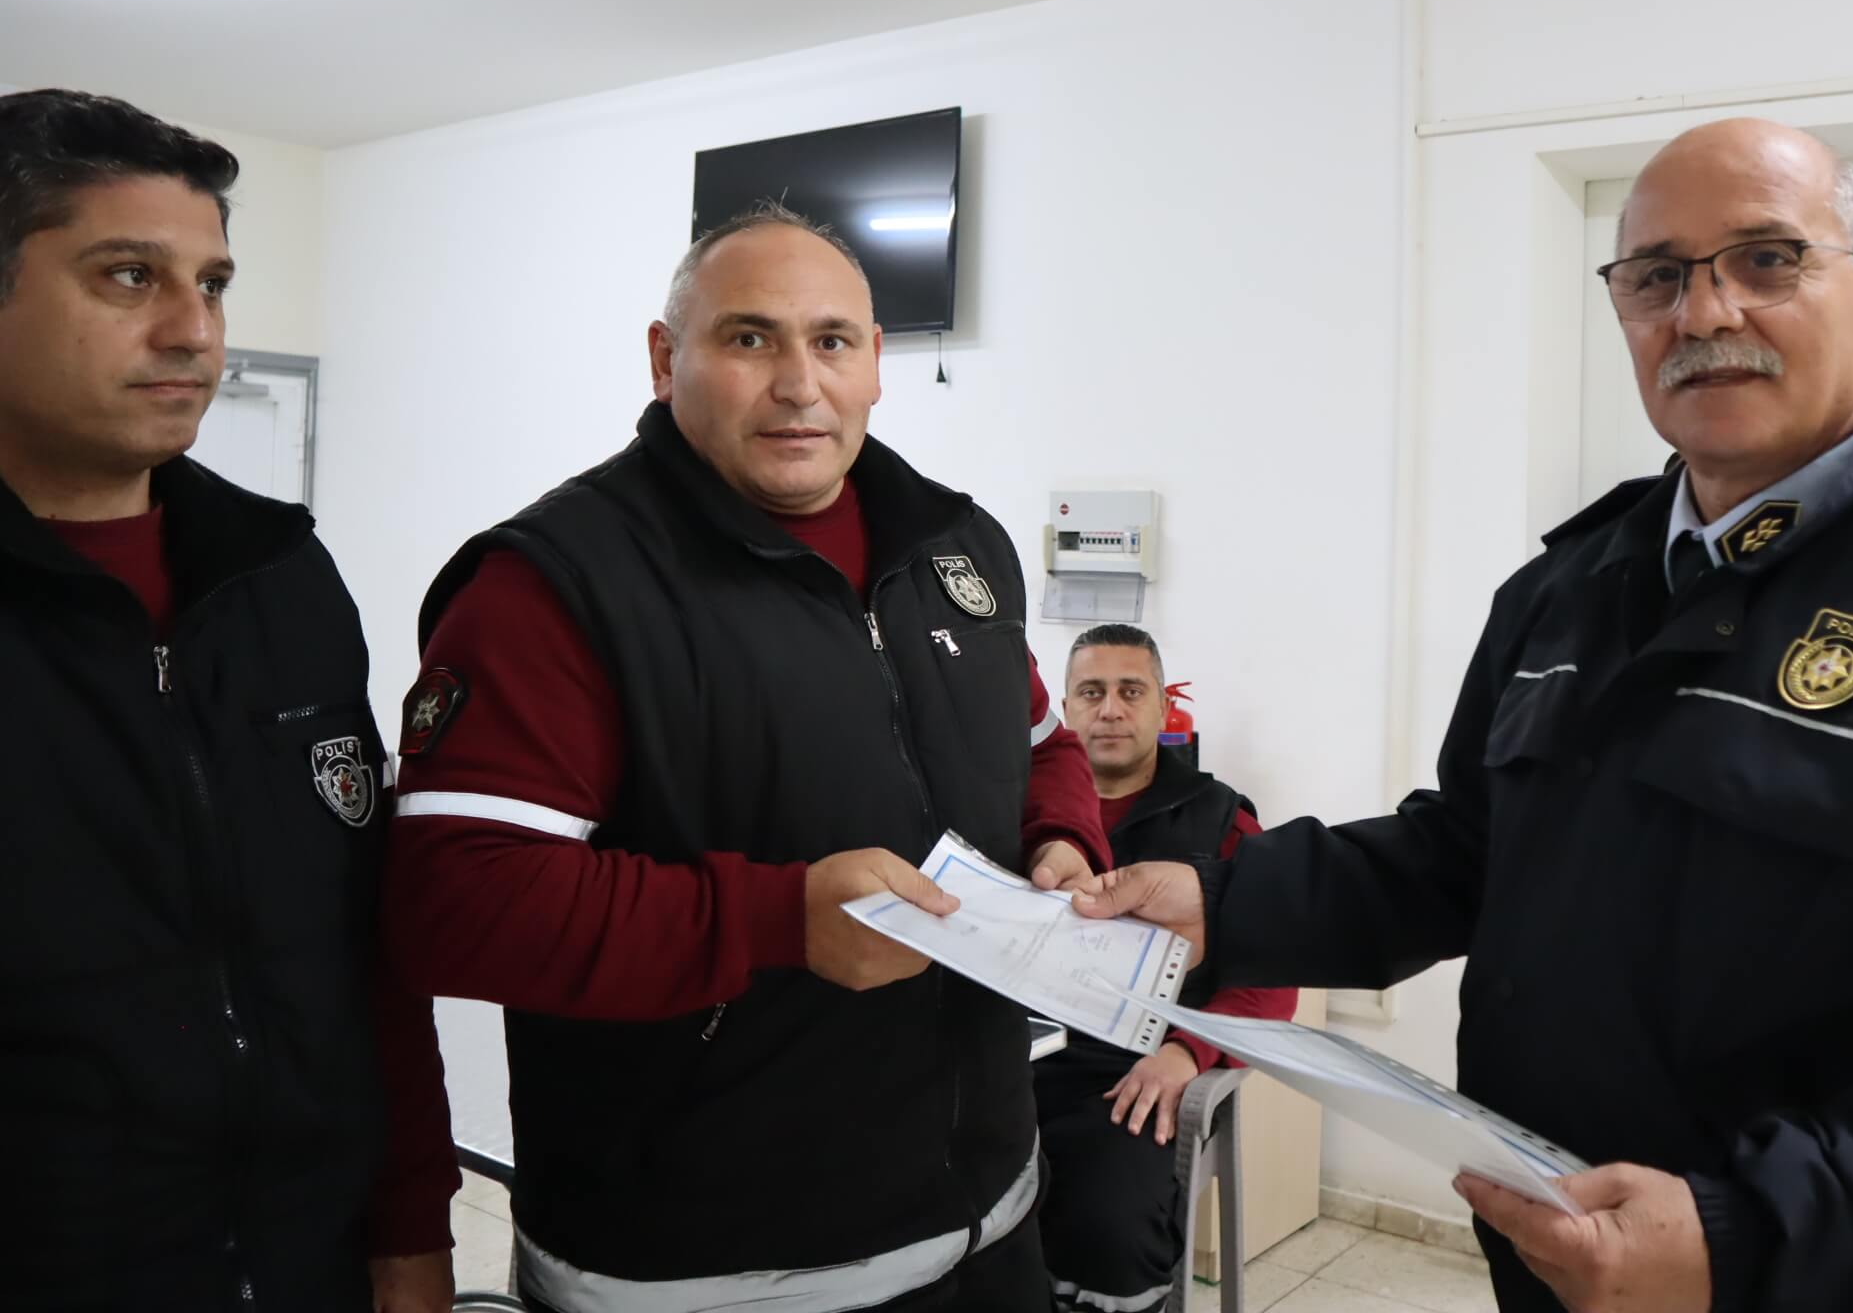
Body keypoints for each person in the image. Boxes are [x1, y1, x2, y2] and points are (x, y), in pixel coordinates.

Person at [1073, 118, 1853, 1313]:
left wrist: (1746, 1237)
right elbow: (1465, 853)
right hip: (1558, 1261)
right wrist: (1224, 903)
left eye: (1766, 260)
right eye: (1657, 277)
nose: (1705, 311)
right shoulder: (1567, 586)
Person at [382, 200, 1111, 1313]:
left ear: (876, 362)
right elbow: (458, 900)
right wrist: (775, 922)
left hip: (991, 1226)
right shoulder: (554, 585)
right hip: (708, 1273)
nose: (798, 384)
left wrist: (1061, 837)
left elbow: (1040, 743)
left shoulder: (954, 547)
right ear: (666, 357)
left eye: (832, 341)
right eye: (750, 337)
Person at [0, 89, 457, 1311]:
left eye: (211, 284)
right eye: (129, 276)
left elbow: (370, 942)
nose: (194, 331)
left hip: (311, 1260)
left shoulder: (282, 577)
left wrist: (412, 1225)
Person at [1035, 624, 1298, 1313]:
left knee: (1109, 1224)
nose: (1110, 710)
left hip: (1133, 1074)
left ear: (1162, 707)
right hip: (1010, 1065)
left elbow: (1271, 978)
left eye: (1131, 692)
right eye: (1091, 692)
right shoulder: (1020, 813)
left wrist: (1187, 1054)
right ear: (1064, 708)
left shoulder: (1220, 821)